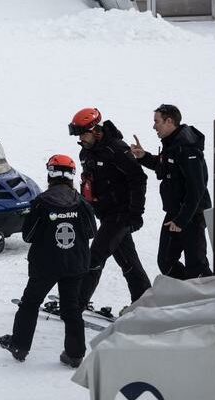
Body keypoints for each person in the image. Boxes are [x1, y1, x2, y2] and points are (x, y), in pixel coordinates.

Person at [0, 154, 97, 368]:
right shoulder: (81, 202)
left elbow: (28, 235)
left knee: (30, 303)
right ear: (71, 176)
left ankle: (20, 346)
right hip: (75, 263)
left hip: (45, 265)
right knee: (71, 308)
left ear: (50, 174)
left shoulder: (41, 203)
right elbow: (91, 231)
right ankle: (75, 354)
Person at [69, 108, 151, 307]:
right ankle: (146, 300)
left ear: (96, 130)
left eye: (83, 134)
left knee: (94, 257)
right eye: (78, 134)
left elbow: (138, 179)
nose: (80, 139)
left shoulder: (116, 150)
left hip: (120, 215)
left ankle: (76, 304)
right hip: (105, 215)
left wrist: (135, 213)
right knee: (128, 261)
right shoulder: (86, 152)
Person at [130, 104, 212, 279]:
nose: (154, 127)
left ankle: (209, 299)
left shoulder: (187, 148)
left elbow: (196, 189)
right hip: (174, 213)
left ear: (169, 121)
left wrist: (182, 220)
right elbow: (165, 168)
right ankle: (186, 293)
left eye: (156, 122)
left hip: (192, 215)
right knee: (166, 262)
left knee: (196, 267)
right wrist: (143, 157)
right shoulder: (172, 143)